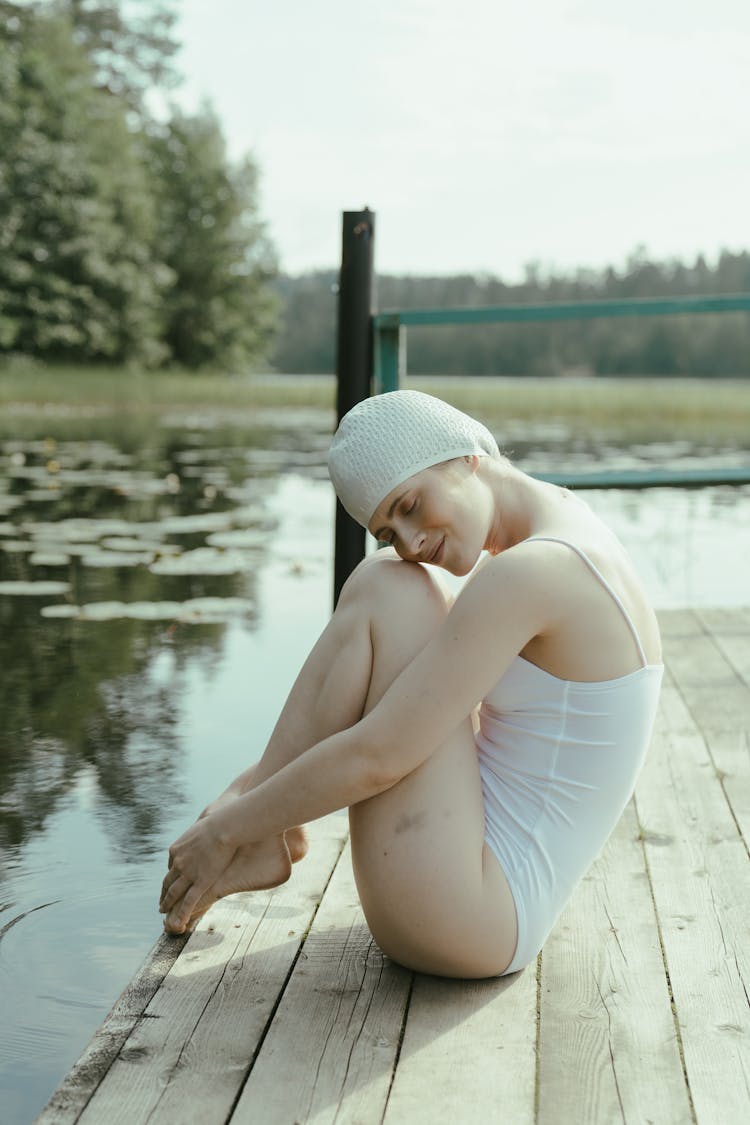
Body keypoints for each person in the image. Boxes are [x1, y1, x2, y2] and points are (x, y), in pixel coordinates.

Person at [159, 390, 663, 978]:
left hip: (465, 920)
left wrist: (224, 830)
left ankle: (255, 827)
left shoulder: (530, 572)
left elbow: (379, 755)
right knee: (393, 585)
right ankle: (263, 817)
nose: (411, 541)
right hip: (486, 906)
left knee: (391, 588)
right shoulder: (567, 523)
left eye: (410, 504)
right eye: (388, 531)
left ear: (465, 456)